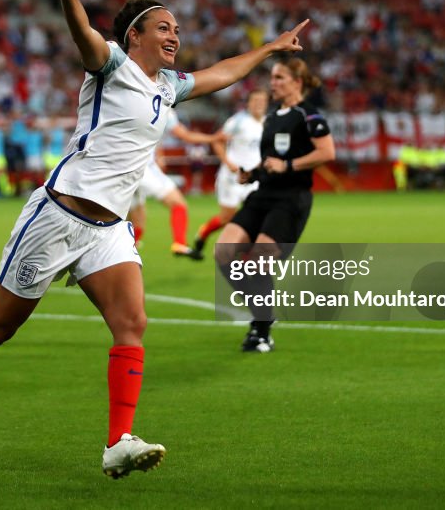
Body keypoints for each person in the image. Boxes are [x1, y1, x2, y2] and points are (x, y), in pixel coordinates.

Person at [0, 0, 309, 478]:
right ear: (135, 35)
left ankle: (117, 442)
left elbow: (221, 73)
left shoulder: (167, 87)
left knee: (132, 322)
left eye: (176, 29)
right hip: (58, 218)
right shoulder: (110, 65)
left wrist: (269, 49)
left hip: (109, 230)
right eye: (163, 27)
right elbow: (83, 34)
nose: (174, 35)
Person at [214, 58, 335, 353]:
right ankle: (264, 315)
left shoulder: (309, 116)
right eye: (273, 77)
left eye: (280, 77)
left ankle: (261, 329)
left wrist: (290, 164)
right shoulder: (270, 118)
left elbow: (327, 152)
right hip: (262, 194)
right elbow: (270, 162)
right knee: (224, 251)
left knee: (257, 263)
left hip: (291, 198)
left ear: (297, 82)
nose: (274, 83)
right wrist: (251, 173)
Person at [127, 109, 222, 260]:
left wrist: (159, 155)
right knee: (178, 204)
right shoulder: (163, 106)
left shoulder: (133, 98)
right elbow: (185, 135)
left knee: (135, 219)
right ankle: (179, 243)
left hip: (122, 167)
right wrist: (214, 138)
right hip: (142, 168)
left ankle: (121, 257)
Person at [192, 89, 269, 255]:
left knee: (256, 217)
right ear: (248, 103)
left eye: (262, 101)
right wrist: (228, 163)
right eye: (255, 101)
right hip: (232, 177)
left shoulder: (268, 123)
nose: (258, 104)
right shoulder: (237, 121)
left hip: (253, 178)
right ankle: (203, 234)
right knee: (227, 218)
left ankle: (246, 260)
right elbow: (217, 142)